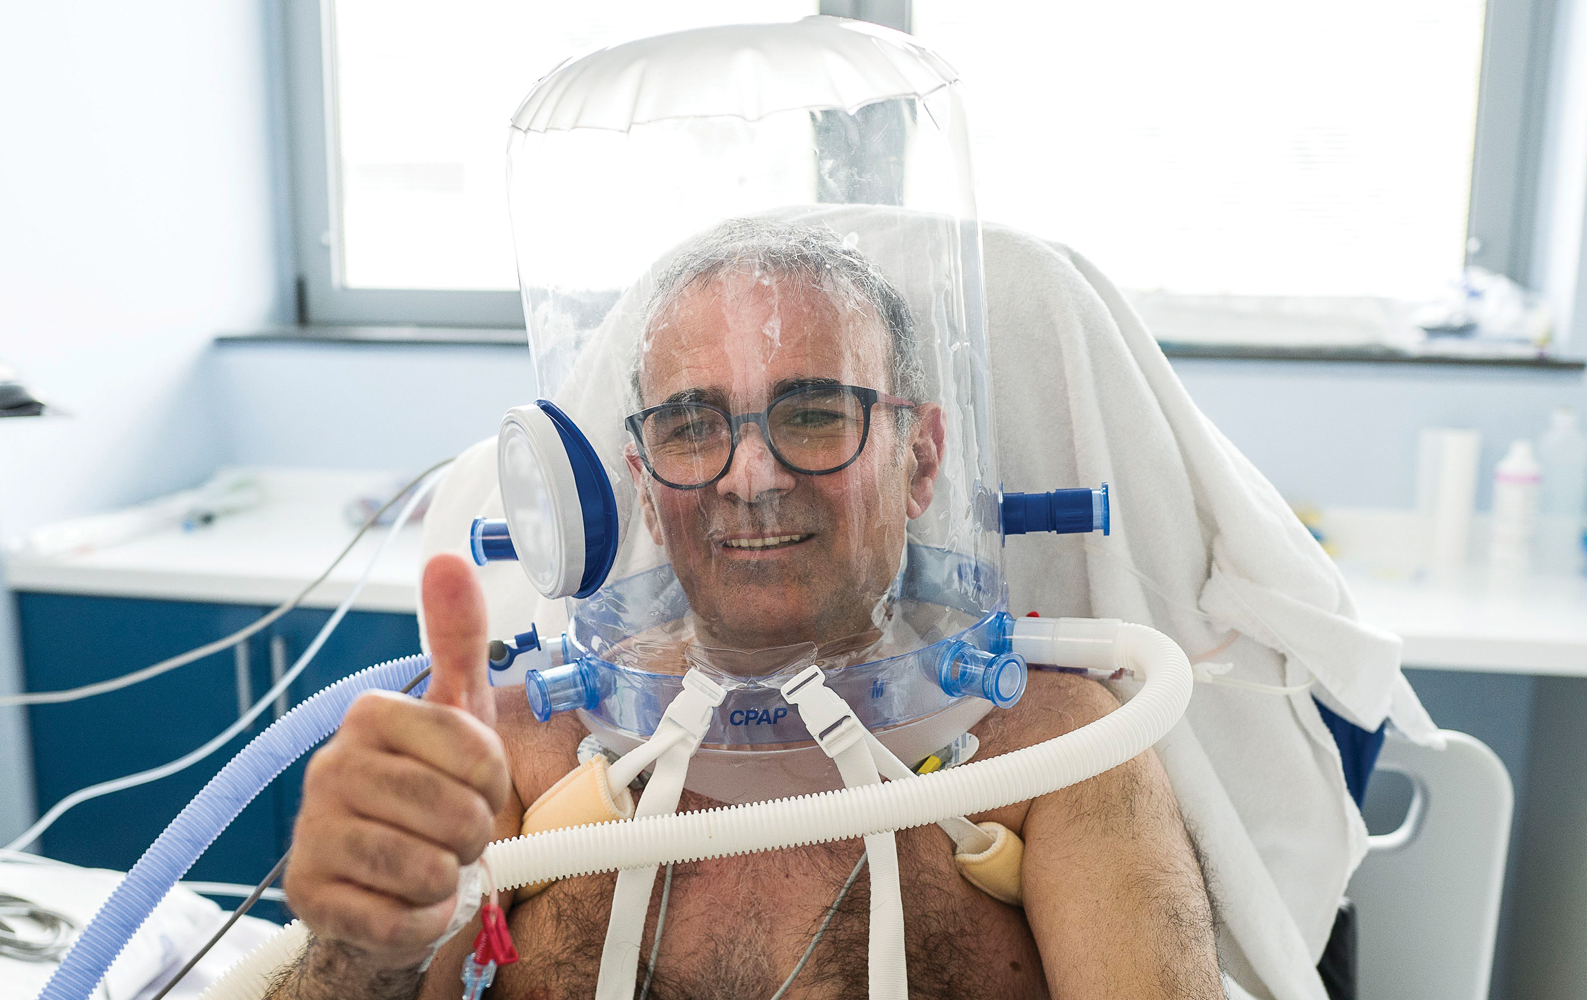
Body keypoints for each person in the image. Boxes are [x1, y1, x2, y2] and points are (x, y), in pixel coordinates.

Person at [269, 226, 1224, 1000]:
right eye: (692, 427)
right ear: (642, 487)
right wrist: (360, 951)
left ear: (921, 461)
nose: (753, 478)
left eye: (813, 412)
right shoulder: (517, 757)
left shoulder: (1055, 754)